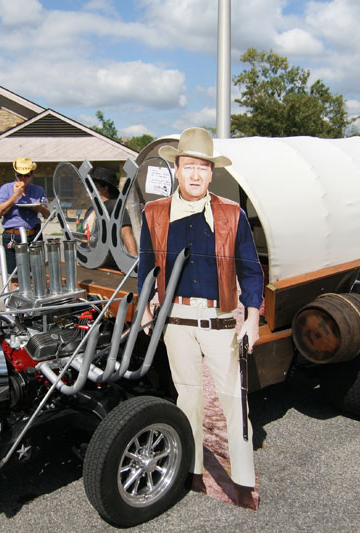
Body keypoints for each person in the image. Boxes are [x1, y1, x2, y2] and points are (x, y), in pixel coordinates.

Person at [138, 127, 264, 509]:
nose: (195, 175)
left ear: (212, 173)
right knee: (188, 398)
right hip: (175, 320)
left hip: (220, 319)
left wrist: (253, 318)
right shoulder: (155, 213)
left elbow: (251, 270)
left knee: (233, 400)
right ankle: (190, 471)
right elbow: (146, 267)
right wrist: (145, 309)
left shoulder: (231, 214)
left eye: (203, 168)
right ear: (177, 170)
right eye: (188, 166)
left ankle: (243, 483)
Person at [0, 157, 50, 277]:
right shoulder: (6, 189)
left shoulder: (38, 190)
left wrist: (39, 208)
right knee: (15, 277)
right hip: (13, 236)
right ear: (15, 174)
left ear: (32, 175)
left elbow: (47, 214)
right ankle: (13, 295)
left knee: (36, 275)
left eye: (27, 175)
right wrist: (15, 196)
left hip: (34, 235)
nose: (23, 179)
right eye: (20, 175)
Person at [90, 166, 138, 257]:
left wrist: (134, 259)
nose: (90, 190)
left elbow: (126, 233)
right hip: (92, 259)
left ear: (105, 188)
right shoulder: (93, 208)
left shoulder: (115, 206)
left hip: (109, 263)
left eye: (93, 186)